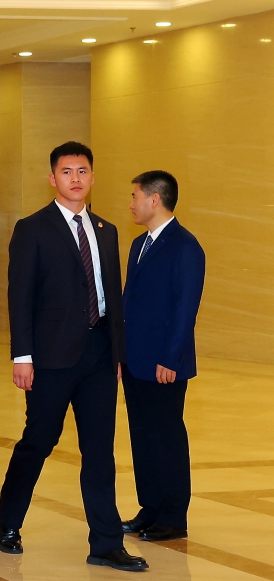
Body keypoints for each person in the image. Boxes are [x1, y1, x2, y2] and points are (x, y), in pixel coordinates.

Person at [0, 142, 148, 572]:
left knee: (99, 450)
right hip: (50, 359)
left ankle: (106, 542)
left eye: (82, 171)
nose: (75, 178)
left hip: (99, 355)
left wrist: (118, 354)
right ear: (52, 179)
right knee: (39, 441)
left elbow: (112, 299)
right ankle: (8, 519)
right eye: (66, 172)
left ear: (93, 177)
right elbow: (19, 297)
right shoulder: (33, 229)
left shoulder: (107, 230)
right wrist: (21, 356)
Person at [121, 171, 205, 542]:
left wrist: (170, 359)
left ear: (155, 200)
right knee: (141, 435)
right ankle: (150, 507)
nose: (132, 203)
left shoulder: (185, 247)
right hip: (136, 361)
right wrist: (120, 354)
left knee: (166, 436)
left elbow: (185, 310)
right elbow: (129, 303)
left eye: (136, 196)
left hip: (165, 364)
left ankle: (173, 516)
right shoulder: (139, 244)